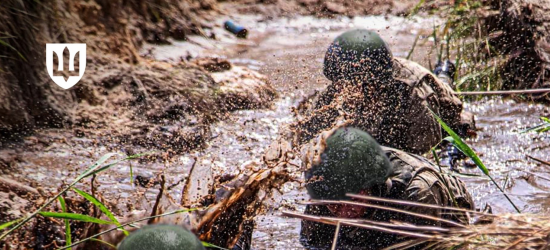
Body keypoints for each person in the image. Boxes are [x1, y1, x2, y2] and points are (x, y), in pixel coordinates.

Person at [294, 29, 474, 154]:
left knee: (452, 111)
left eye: (355, 85)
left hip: (442, 111)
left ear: (376, 82)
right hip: (391, 113)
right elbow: (305, 135)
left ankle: (444, 72)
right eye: (341, 83)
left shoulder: (415, 95)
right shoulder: (344, 85)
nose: (346, 91)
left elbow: (423, 154)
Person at [299, 126, 474, 249]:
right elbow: (312, 244)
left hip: (446, 217)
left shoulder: (417, 193)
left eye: (349, 199)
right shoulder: (323, 194)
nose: (341, 212)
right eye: (332, 203)